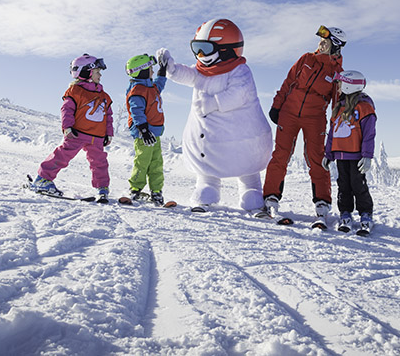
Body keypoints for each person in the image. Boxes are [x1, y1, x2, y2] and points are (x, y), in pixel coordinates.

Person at [156, 18, 272, 212]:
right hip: (208, 135)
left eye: (206, 49)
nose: (200, 55)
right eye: (196, 48)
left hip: (242, 135)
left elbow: (239, 94)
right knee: (207, 162)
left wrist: (213, 103)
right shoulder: (203, 70)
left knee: (246, 164)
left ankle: (250, 188)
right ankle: (207, 186)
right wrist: (171, 68)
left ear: (226, 48)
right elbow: (189, 75)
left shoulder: (240, 71)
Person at [260, 25, 346, 219]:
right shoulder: (306, 59)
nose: (321, 43)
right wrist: (277, 106)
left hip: (315, 118)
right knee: (281, 155)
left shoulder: (337, 73)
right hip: (289, 113)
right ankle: (271, 196)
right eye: (321, 40)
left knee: (316, 158)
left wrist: (337, 124)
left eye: (326, 41)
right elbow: (288, 82)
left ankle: (322, 201)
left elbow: (337, 101)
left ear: (336, 46)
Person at [30, 54, 114, 201]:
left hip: (97, 137)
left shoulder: (104, 96)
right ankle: (43, 179)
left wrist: (109, 133)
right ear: (86, 72)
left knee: (100, 163)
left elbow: (108, 116)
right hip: (77, 134)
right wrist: (67, 127)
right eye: (97, 72)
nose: (100, 75)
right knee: (62, 156)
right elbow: (67, 110)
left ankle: (102, 187)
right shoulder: (75, 91)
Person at [322, 70, 377, 233]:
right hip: (340, 155)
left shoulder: (365, 108)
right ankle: (345, 213)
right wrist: (328, 154)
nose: (337, 87)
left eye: (339, 84)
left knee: (358, 185)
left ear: (348, 85)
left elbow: (369, 134)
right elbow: (332, 133)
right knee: (343, 185)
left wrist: (367, 156)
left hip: (356, 156)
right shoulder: (339, 107)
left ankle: (366, 215)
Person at [125, 54, 168, 205]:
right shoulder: (137, 90)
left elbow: (160, 83)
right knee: (142, 162)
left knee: (156, 163)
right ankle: (135, 189)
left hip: (154, 134)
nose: (152, 71)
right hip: (145, 134)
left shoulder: (151, 88)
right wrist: (143, 130)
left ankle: (156, 191)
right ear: (141, 71)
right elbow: (136, 111)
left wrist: (163, 70)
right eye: (150, 68)